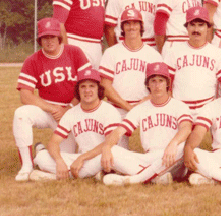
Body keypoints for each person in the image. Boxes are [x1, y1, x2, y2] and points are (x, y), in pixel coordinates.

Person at [13, 17, 90, 181]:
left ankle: (41, 152)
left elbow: (87, 85)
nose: (49, 41)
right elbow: (25, 95)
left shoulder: (74, 52)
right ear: (40, 39)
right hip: (48, 111)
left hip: (71, 111)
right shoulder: (32, 60)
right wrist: (53, 109)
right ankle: (26, 166)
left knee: (65, 158)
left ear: (59, 37)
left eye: (52, 36)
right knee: (21, 114)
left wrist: (68, 108)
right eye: (45, 38)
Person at [100, 62, 193, 185]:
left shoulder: (179, 106)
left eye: (161, 80)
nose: (157, 85)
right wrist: (107, 147)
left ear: (167, 83)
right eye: (153, 81)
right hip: (149, 158)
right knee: (114, 150)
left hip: (171, 158)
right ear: (147, 84)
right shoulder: (141, 108)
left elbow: (186, 128)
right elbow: (119, 131)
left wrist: (173, 143)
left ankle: (134, 179)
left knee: (182, 147)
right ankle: (155, 178)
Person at [30, 68, 121, 181]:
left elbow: (110, 142)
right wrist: (59, 162)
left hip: (104, 156)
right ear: (77, 90)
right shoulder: (71, 113)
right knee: (42, 157)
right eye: (83, 86)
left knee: (111, 158)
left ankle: (54, 177)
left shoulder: (109, 111)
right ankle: (91, 175)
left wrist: (82, 158)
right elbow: (53, 142)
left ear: (99, 89)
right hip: (82, 160)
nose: (87, 90)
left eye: (92, 86)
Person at [99, 9, 162, 119]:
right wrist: (128, 107)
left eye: (135, 23)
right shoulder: (111, 52)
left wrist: (144, 102)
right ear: (122, 27)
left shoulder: (153, 55)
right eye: (127, 23)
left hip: (145, 109)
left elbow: (161, 86)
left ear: (141, 26)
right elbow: (105, 85)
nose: (131, 27)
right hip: (116, 110)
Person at [163, 6, 221, 113]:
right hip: (180, 110)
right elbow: (166, 86)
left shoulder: (218, 54)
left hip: (207, 111)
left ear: (208, 27)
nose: (196, 30)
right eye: (192, 25)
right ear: (186, 27)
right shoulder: (173, 52)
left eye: (201, 25)